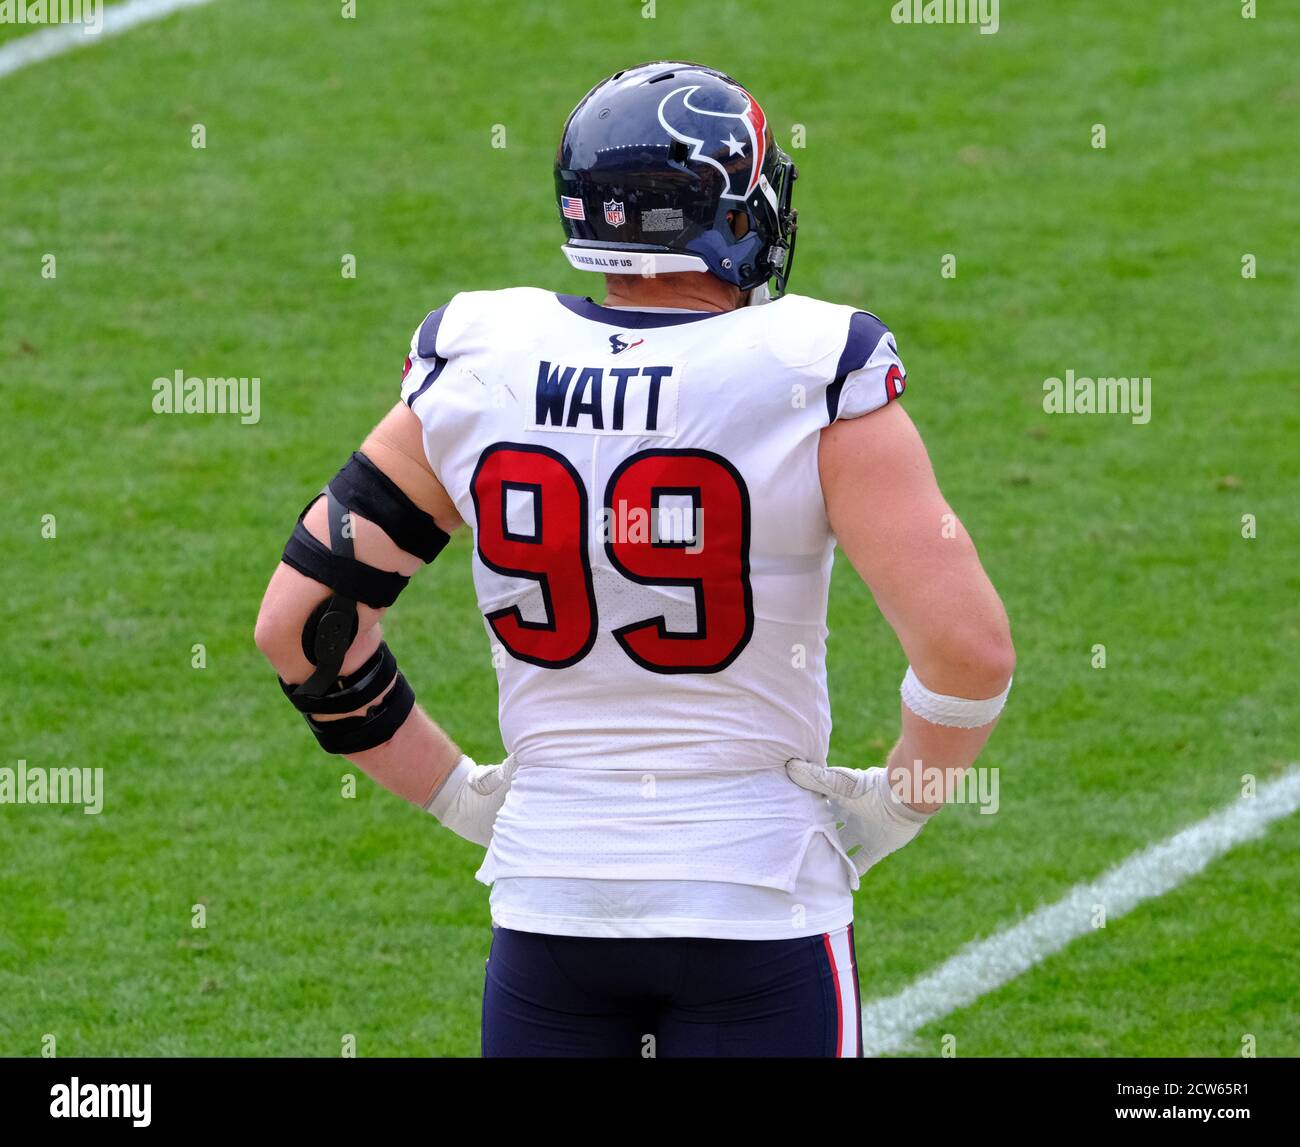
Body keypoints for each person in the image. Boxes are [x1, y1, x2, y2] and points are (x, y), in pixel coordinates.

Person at [254, 60, 1014, 1058]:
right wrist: (897, 806)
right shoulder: (811, 371)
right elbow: (969, 651)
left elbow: (305, 632)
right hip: (757, 900)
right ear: (722, 206)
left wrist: (453, 793)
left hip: (550, 911)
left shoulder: (479, 360)